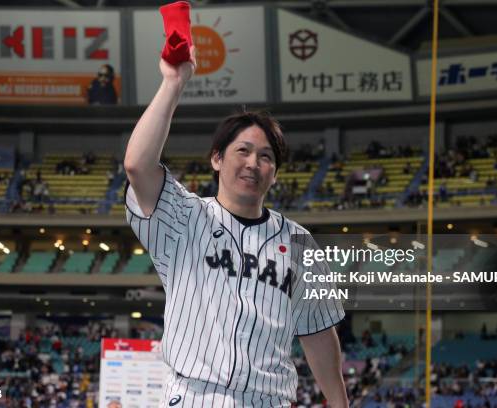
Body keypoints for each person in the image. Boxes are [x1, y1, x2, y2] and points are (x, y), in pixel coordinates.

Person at [123, 44, 348, 407]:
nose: (253, 164)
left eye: (266, 157)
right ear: (216, 158)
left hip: (269, 401)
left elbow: (319, 332)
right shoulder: (184, 216)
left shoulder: (299, 242)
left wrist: (340, 404)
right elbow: (137, 164)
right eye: (242, 151)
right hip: (195, 396)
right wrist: (173, 84)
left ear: (274, 173)